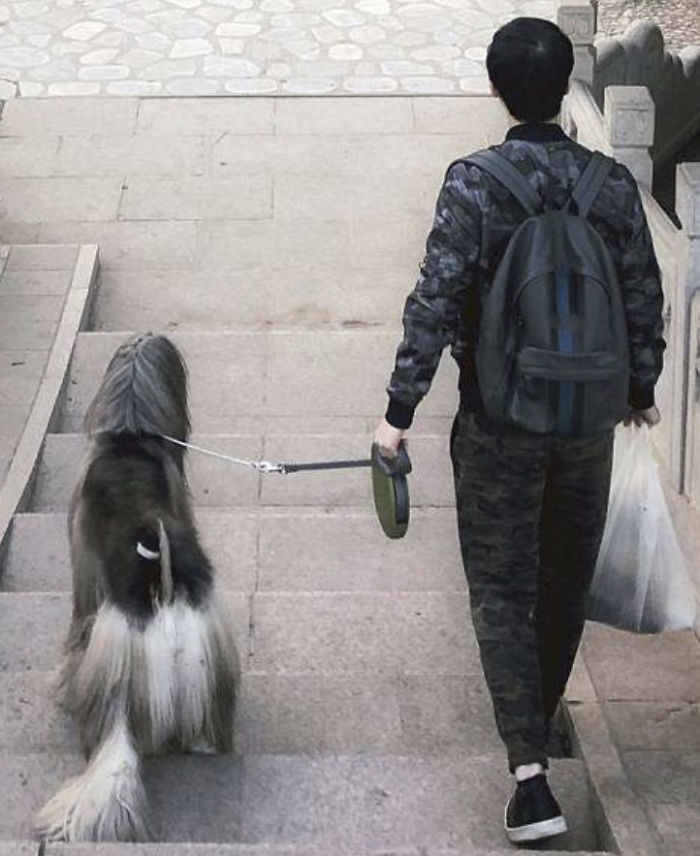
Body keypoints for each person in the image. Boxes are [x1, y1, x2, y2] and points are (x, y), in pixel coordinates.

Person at [374, 16, 665, 845]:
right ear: (565, 84)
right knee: (563, 579)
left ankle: (530, 777)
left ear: (497, 88)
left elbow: (433, 303)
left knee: (501, 589)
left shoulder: (475, 183)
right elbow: (643, 297)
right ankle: (537, 722)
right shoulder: (610, 186)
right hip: (586, 424)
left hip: (499, 422)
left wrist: (396, 417)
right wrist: (637, 387)